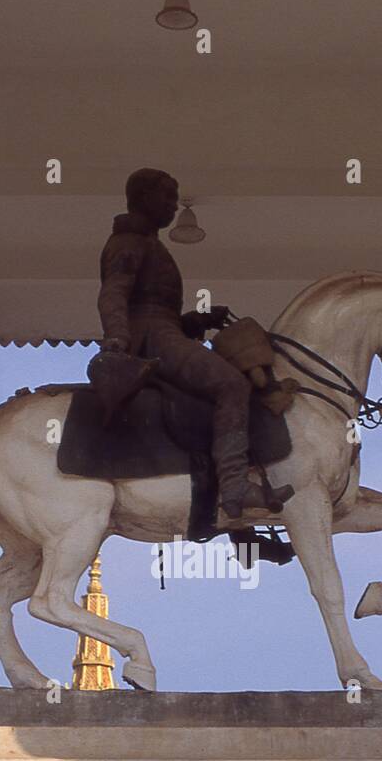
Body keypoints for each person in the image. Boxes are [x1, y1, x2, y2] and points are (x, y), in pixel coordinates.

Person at [97, 167, 291, 519]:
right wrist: (117, 339)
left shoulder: (149, 244)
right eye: (167, 196)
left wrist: (197, 321)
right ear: (142, 198)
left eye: (174, 197)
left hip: (164, 332)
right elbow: (114, 294)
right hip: (152, 339)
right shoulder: (129, 242)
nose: (173, 205)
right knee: (231, 384)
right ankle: (233, 486)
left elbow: (157, 308)